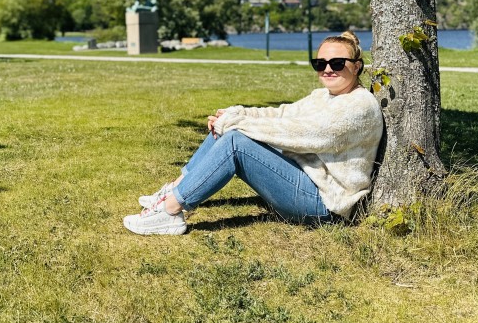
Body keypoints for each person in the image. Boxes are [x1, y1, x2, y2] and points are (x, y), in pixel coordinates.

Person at [123, 31, 384, 235]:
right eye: (320, 63)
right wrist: (236, 114)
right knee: (229, 128)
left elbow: (303, 133)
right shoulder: (323, 96)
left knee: (235, 141)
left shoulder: (359, 106)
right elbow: (282, 114)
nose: (328, 69)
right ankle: (174, 190)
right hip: (304, 182)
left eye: (337, 63)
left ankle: (170, 212)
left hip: (325, 204)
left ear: (357, 66)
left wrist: (237, 124)